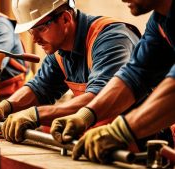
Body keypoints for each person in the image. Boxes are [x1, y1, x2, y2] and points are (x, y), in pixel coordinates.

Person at [0, 0, 141, 143]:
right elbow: (39, 88)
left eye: (41, 29)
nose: (35, 39)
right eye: (31, 31)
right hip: (101, 140)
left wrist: (35, 115)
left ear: (66, 18)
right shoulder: (60, 51)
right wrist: (5, 107)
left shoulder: (112, 39)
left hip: (141, 141)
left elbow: (101, 98)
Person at [50, 0, 175, 164]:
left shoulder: (112, 36)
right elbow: (135, 75)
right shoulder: (160, 22)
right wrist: (85, 116)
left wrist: (120, 132)